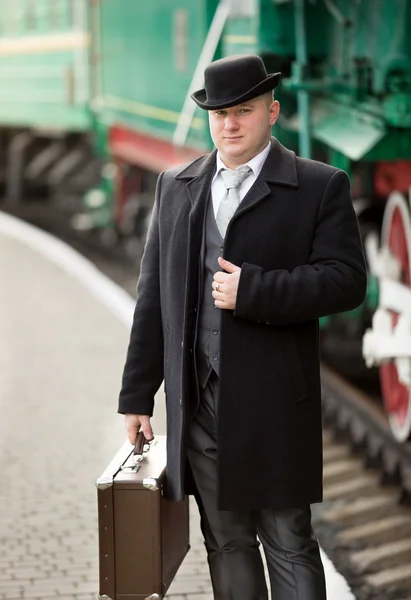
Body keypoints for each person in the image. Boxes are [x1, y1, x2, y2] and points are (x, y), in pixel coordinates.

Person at [118, 54, 367, 599]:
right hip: (199, 405)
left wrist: (253, 291)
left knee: (288, 541)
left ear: (272, 112)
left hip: (275, 400)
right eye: (219, 113)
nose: (229, 124)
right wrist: (137, 394)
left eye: (244, 111)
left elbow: (347, 281)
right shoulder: (176, 185)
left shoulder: (319, 186)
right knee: (225, 542)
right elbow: (152, 297)